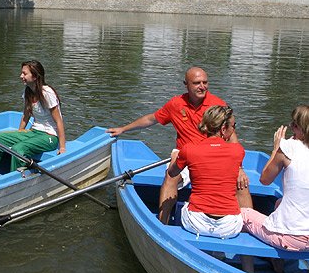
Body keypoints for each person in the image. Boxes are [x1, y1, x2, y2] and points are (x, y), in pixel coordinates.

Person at [107, 66, 251, 223]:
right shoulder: (176, 104)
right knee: (170, 176)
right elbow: (152, 119)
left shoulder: (218, 106)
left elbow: (231, 136)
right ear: (186, 84)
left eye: (205, 82)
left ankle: (248, 226)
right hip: (184, 154)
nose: (202, 86)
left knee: (241, 184)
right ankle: (163, 224)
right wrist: (123, 129)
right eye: (197, 83)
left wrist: (239, 168)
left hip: (213, 155)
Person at [241, 105, 309, 272]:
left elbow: (264, 179)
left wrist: (276, 148)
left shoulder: (288, 148)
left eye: (294, 125)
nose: (291, 127)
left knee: (243, 214)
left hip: (292, 239)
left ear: (299, 127)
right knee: (278, 202)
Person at [168, 106, 245, 239]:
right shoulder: (238, 151)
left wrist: (175, 159)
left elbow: (172, 173)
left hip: (196, 223)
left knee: (184, 205)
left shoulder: (189, 150)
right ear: (223, 129)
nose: (234, 130)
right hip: (229, 226)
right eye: (233, 126)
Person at [0, 60, 66, 180]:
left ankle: (13, 181)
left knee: (19, 149)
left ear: (35, 76)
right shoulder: (28, 91)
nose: (21, 76)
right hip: (34, 132)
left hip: (50, 136)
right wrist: (19, 132)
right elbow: (26, 115)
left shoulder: (47, 93)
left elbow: (59, 121)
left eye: (24, 73)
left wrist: (62, 147)